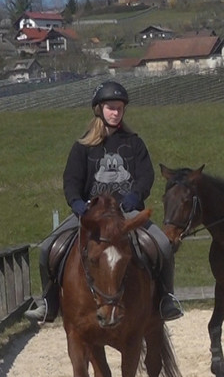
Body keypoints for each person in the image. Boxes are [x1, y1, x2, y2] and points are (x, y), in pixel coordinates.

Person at [25, 80, 184, 323]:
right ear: (99, 109)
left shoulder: (134, 143)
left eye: (119, 108)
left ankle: (166, 298)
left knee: (162, 244)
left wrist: (136, 195)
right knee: (48, 247)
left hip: (125, 214)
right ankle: (49, 301)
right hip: (91, 215)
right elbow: (71, 180)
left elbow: (146, 175)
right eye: (111, 107)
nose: (116, 112)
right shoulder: (82, 147)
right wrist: (77, 203)